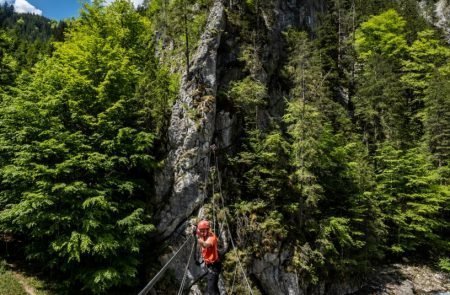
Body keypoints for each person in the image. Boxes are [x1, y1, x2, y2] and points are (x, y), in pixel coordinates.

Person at [195, 220, 221, 295]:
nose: (202, 233)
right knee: (214, 288)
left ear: (208, 230)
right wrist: (196, 231)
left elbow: (205, 245)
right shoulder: (204, 234)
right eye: (201, 231)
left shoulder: (211, 238)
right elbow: (199, 231)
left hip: (214, 266)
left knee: (210, 290)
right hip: (211, 265)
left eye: (204, 231)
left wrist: (199, 238)